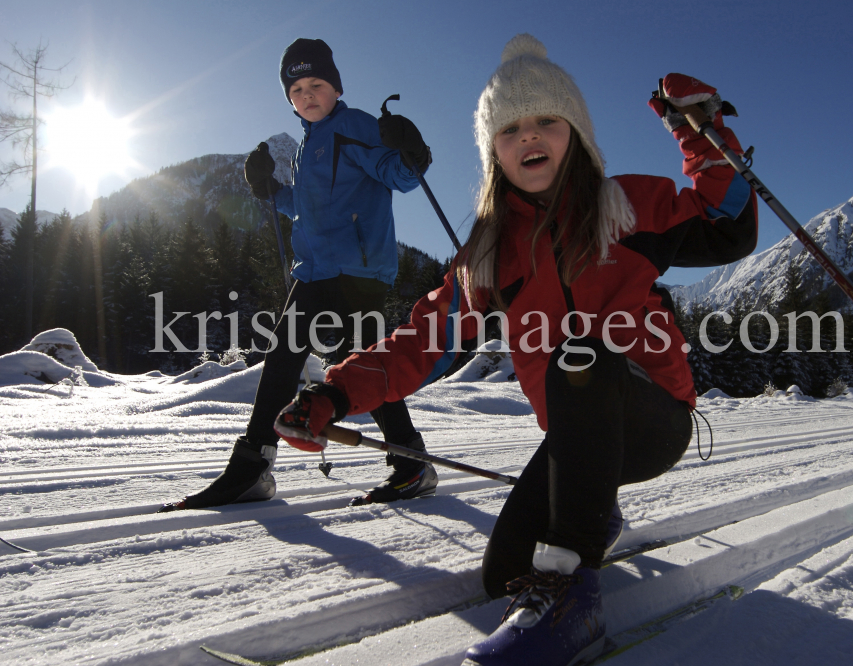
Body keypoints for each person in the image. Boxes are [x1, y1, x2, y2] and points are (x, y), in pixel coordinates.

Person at [274, 34, 757, 666]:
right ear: (493, 152)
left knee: (580, 357)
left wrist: (702, 129)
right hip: (574, 437)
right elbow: (421, 342)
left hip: (650, 417)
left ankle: (571, 601)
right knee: (502, 573)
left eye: (546, 122)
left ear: (574, 133)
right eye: (509, 130)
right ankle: (590, 515)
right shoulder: (490, 255)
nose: (528, 137)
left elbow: (729, 226)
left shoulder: (628, 207)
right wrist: (333, 392)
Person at [160, 38, 438, 512]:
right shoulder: (307, 145)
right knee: (290, 360)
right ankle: (255, 467)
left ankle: (408, 463)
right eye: (297, 89)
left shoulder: (355, 126)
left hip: (358, 272)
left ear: (335, 87)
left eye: (317, 84)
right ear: (289, 97)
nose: (308, 95)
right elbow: (302, 210)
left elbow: (401, 176)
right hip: (313, 270)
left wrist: (413, 153)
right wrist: (269, 189)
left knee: (358, 367)